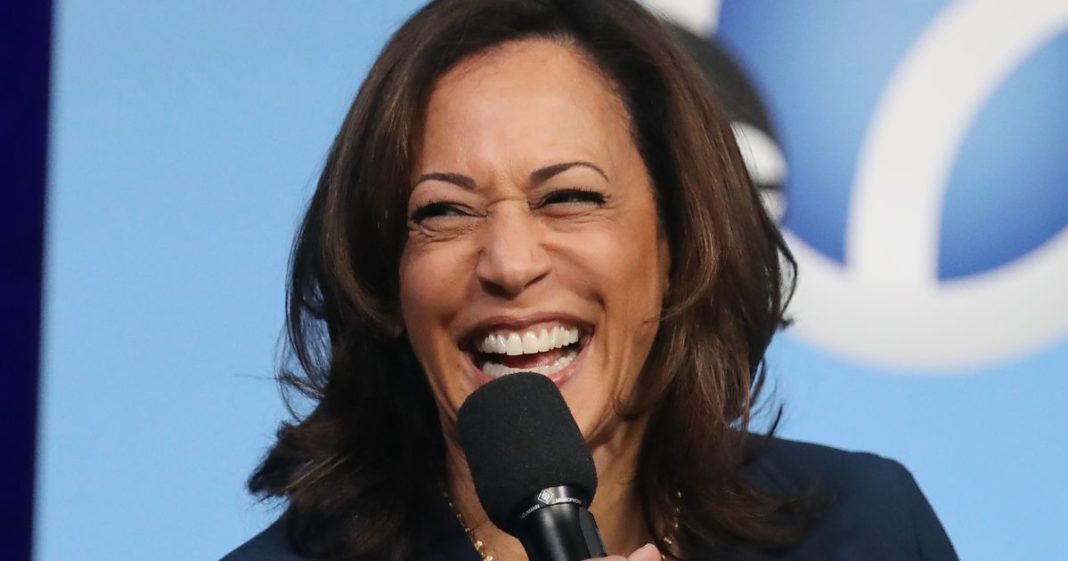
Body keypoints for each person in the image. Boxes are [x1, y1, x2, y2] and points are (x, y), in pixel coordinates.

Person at [222, 1, 958, 560]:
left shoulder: (861, 528)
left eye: (569, 197)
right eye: (443, 211)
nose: (510, 263)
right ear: (386, 277)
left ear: (677, 241)